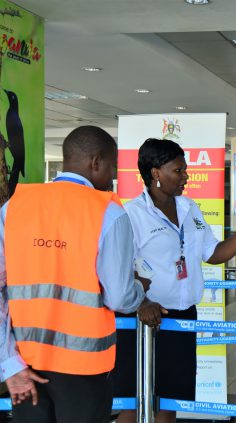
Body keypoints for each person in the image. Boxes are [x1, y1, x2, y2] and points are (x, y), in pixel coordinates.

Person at [114, 138, 236, 423]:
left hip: (182, 317)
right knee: (133, 400)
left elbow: (212, 254)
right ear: (155, 173)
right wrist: (142, 301)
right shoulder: (131, 214)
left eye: (185, 170)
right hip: (142, 318)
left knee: (170, 400)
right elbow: (120, 266)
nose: (185, 176)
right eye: (179, 171)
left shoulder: (189, 208)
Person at [0, 126, 148, 422]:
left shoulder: (13, 207)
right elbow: (119, 297)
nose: (112, 177)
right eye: (112, 167)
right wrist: (140, 288)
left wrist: (9, 365)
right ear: (96, 162)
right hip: (85, 369)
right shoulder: (108, 212)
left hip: (25, 366)